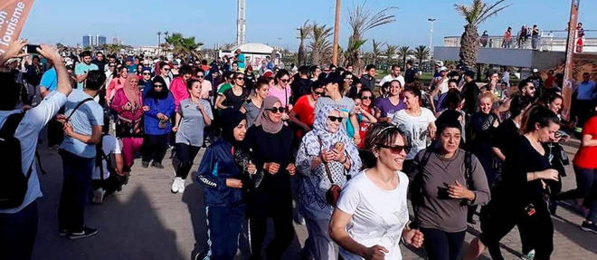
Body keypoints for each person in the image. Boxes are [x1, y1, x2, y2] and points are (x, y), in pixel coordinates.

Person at [0, 41, 71, 260]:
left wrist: (3, 58)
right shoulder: (29, 120)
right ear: (18, 98)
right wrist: (57, 60)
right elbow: (65, 89)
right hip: (19, 206)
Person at [466, 105, 561, 260]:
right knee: (489, 238)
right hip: (512, 200)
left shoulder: (541, 144)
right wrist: (540, 174)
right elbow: (512, 176)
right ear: (537, 126)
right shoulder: (520, 144)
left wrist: (545, 180)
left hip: (533, 200)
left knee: (545, 243)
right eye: (550, 131)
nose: (552, 136)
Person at [329, 122, 424, 259]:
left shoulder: (403, 180)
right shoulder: (357, 186)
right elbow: (335, 229)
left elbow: (393, 219)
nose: (403, 153)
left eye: (405, 148)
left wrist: (405, 234)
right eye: (396, 148)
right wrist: (365, 252)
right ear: (376, 150)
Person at [408, 118, 490, 260]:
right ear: (438, 135)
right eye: (447, 136)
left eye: (457, 136)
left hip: (457, 225)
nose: (452, 141)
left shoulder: (469, 160)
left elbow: (485, 195)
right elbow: (408, 183)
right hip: (429, 221)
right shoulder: (425, 156)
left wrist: (467, 193)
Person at [296, 105, 362, 259]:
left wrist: (343, 159)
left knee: (322, 236)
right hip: (314, 200)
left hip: (337, 199)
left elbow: (357, 165)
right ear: (323, 118)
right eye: (332, 118)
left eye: (339, 119)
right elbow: (300, 165)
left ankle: (307, 252)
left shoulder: (344, 137)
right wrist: (319, 159)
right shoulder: (310, 138)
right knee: (325, 244)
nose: (336, 122)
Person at [196, 109, 259, 259]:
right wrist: (225, 182)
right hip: (217, 203)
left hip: (238, 203)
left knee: (231, 249)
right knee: (218, 249)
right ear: (229, 127)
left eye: (245, 126)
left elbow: (254, 177)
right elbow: (202, 177)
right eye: (239, 127)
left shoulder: (245, 148)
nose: (243, 131)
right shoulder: (215, 149)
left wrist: (253, 171)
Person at [245, 96, 296, 259]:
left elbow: (289, 155)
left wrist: (291, 165)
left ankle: (272, 253)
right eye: (273, 109)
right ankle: (256, 255)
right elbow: (244, 157)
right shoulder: (255, 132)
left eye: (281, 110)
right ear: (265, 111)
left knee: (287, 233)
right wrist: (264, 166)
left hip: (282, 187)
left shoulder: (287, 131)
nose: (278, 113)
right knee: (258, 229)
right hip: (261, 187)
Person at [58, 68, 105, 239]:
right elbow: (95, 139)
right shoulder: (95, 108)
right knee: (79, 192)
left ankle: (63, 226)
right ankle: (76, 228)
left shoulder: (72, 95)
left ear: (85, 80)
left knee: (67, 190)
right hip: (83, 154)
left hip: (67, 149)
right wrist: (72, 133)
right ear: (101, 86)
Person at [172, 79, 214, 193]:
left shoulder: (205, 104)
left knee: (189, 161)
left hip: (197, 137)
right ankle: (177, 179)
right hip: (183, 135)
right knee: (184, 159)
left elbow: (209, 122)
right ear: (190, 90)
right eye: (196, 87)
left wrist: (203, 111)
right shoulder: (184, 103)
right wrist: (176, 125)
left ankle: (182, 179)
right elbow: (179, 112)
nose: (199, 89)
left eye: (200, 87)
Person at [392, 86, 437, 170]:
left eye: (407, 98)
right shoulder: (399, 115)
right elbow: (392, 132)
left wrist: (432, 129)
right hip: (406, 157)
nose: (404, 101)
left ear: (416, 98)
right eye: (403, 98)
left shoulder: (427, 113)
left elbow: (433, 127)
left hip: (422, 156)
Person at [110, 75, 144, 175]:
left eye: (135, 82)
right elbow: (113, 105)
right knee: (127, 147)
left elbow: (141, 105)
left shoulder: (139, 92)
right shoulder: (121, 92)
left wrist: (143, 109)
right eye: (131, 82)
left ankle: (125, 159)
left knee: (138, 143)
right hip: (124, 123)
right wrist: (123, 107)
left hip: (137, 122)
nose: (133, 84)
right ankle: (125, 166)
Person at [315, 72, 361, 145]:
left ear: (335, 85)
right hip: (323, 141)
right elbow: (316, 121)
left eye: (326, 84)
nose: (323, 87)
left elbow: (352, 116)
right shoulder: (321, 101)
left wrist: (356, 133)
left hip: (341, 141)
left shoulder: (349, 102)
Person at [141, 77, 175, 169]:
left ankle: (157, 160)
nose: (158, 88)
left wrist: (167, 115)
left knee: (162, 144)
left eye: (160, 86)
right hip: (151, 123)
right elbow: (146, 109)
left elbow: (172, 105)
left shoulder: (168, 94)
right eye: (155, 86)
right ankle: (146, 159)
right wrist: (156, 114)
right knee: (150, 143)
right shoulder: (149, 95)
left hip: (164, 121)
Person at [468, 93, 500, 186]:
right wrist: (493, 128)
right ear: (479, 105)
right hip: (481, 150)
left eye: (488, 104)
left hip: (493, 152)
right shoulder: (476, 117)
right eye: (483, 104)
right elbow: (481, 132)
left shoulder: (494, 116)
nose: (486, 107)